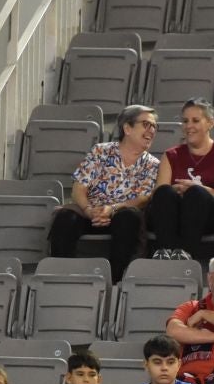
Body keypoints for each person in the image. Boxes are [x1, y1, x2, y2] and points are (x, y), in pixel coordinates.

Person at [50, 103, 162, 281]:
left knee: (129, 217)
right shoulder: (101, 151)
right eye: (146, 124)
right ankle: (59, 276)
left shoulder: (153, 164)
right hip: (91, 212)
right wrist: (88, 210)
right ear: (127, 128)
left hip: (121, 214)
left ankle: (114, 280)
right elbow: (79, 188)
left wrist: (112, 208)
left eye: (155, 126)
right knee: (66, 217)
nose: (152, 130)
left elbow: (143, 199)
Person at [148, 100, 214, 261]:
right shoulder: (171, 154)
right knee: (164, 192)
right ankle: (165, 252)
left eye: (195, 120)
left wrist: (202, 189)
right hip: (175, 214)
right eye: (185, 121)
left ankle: (186, 254)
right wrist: (178, 190)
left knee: (196, 193)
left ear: (210, 123)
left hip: (208, 216)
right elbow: (159, 195)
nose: (189, 126)